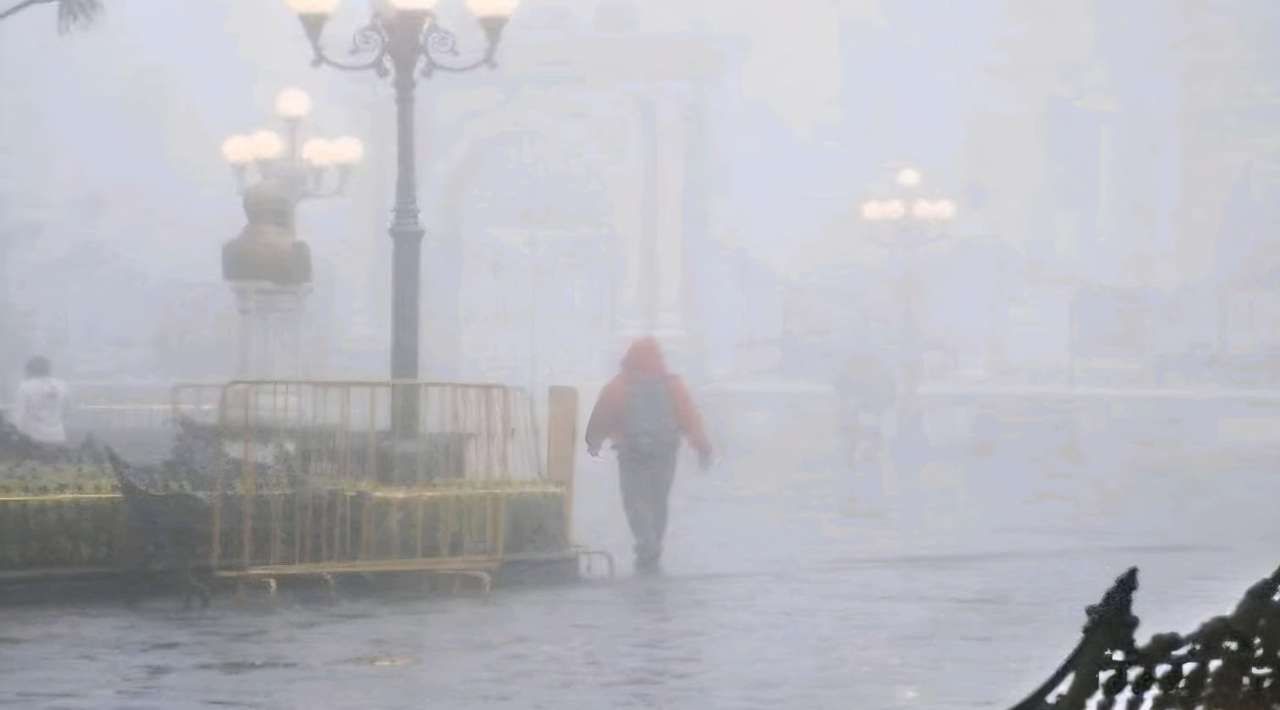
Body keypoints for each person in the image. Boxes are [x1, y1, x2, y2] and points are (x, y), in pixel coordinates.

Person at [586, 337, 712, 572]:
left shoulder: (618, 386)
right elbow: (689, 417)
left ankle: (646, 544)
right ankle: (654, 543)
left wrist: (593, 442)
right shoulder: (673, 386)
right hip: (665, 452)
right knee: (658, 501)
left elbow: (602, 416)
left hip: (631, 453)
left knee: (635, 502)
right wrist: (702, 446)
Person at [11, 356, 69, 446]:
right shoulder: (62, 385)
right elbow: (67, 409)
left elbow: (20, 415)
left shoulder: (25, 387)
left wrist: (15, 435)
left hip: (33, 438)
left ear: (30, 370)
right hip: (57, 436)